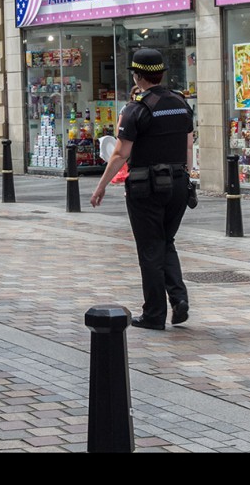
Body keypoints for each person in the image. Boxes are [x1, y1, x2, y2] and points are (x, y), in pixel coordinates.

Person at [90, 48, 194, 331]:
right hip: (178, 184)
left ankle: (154, 314)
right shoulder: (181, 104)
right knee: (166, 241)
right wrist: (188, 176)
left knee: (150, 248)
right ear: (161, 74)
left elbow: (121, 152)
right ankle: (178, 298)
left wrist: (100, 186)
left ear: (137, 76)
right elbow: (188, 145)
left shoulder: (137, 109)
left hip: (146, 186)